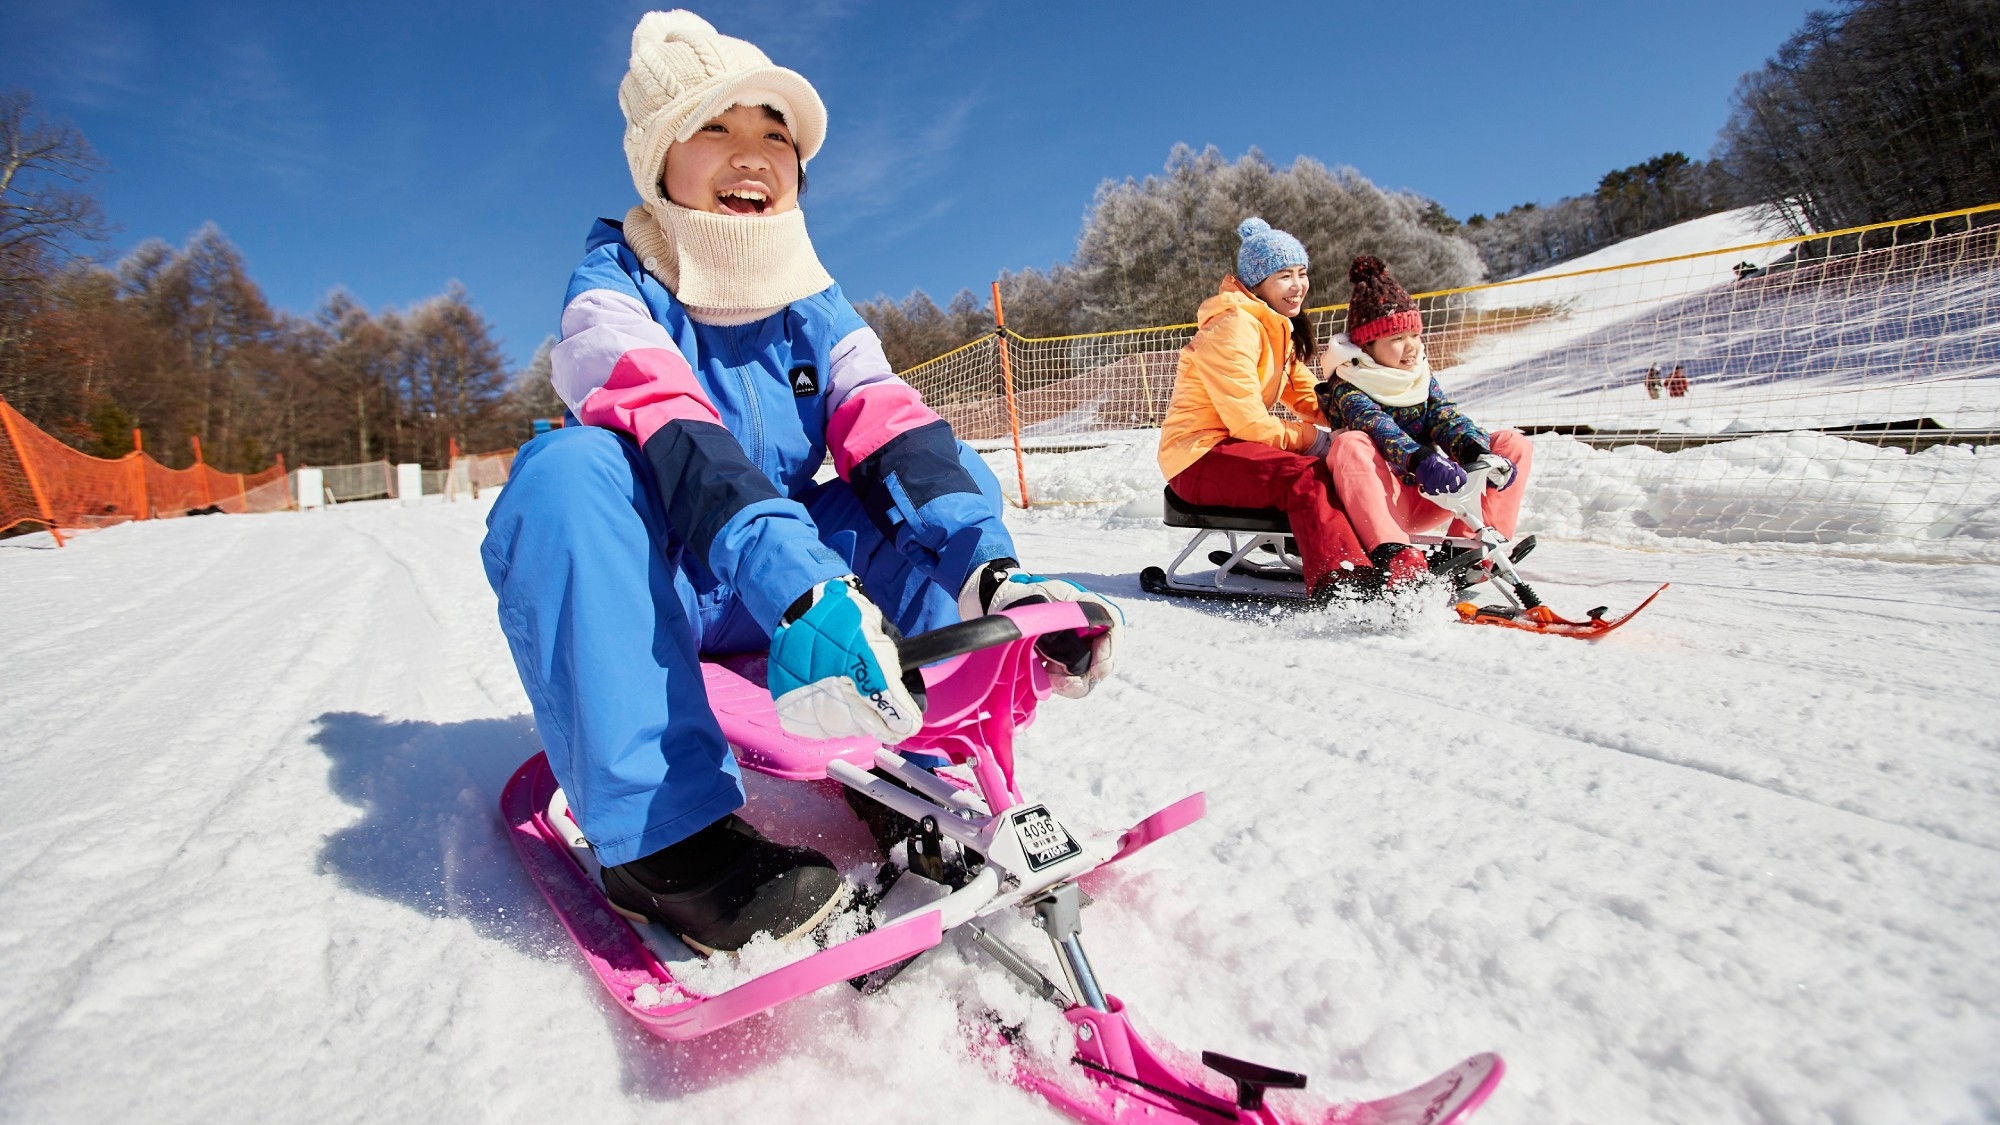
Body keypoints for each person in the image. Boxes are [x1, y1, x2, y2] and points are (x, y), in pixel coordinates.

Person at [480, 11, 1120, 954]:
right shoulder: (614, 287)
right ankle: (664, 842)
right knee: (565, 477)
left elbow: (890, 427)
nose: (752, 154)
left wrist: (991, 574)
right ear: (659, 161)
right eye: (715, 127)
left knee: (918, 486)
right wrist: (801, 586)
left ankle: (914, 766)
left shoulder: (813, 301)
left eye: (774, 133)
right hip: (664, 583)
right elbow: (678, 433)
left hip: (787, 583)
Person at [1156, 218, 1372, 596]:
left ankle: (1358, 555)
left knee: (1339, 466)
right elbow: (1249, 424)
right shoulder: (1233, 326)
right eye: (1284, 276)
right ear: (1257, 284)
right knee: (1307, 477)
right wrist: (1317, 440)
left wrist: (1364, 417)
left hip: (1232, 450)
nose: (1298, 285)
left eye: (1302, 273)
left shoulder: (1274, 326)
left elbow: (1307, 396)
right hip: (1197, 456)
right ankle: (1343, 582)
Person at [1318, 256, 1533, 578]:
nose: (1411, 348)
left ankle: (1473, 550)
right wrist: (1420, 460)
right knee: (1351, 442)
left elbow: (1445, 417)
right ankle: (1394, 557)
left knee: (1512, 443)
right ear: (1368, 346)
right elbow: (1376, 425)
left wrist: (1475, 451)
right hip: (1380, 502)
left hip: (1431, 493)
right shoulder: (1347, 384)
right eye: (1396, 339)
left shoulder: (1420, 376)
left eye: (1414, 336)